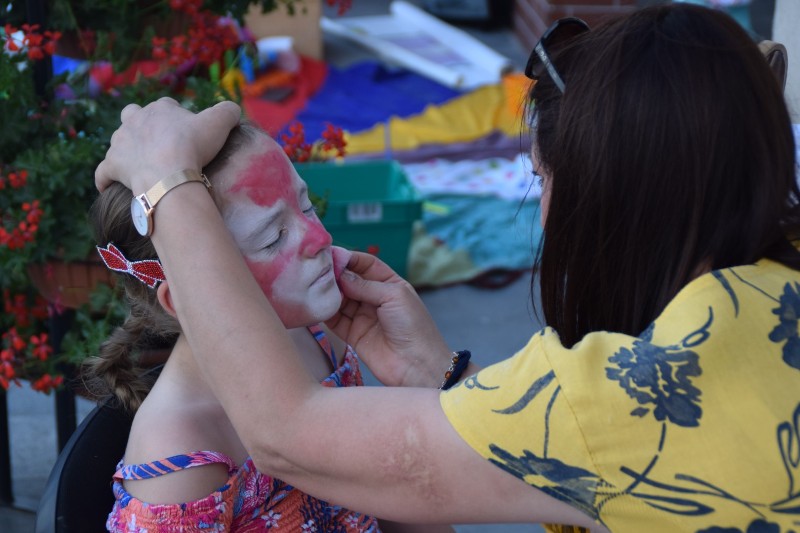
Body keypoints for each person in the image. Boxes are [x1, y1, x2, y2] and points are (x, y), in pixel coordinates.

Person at [94, 4, 800, 531]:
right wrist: (441, 376)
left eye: (541, 181)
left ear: (614, 212)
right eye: (273, 231)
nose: (315, 237)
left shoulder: (624, 396)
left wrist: (168, 183)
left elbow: (288, 433)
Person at [85, 122, 452, 532]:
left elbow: (394, 494)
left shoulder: (318, 337)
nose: (319, 237)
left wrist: (431, 373)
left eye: (306, 206)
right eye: (273, 237)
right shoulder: (177, 455)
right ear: (184, 299)